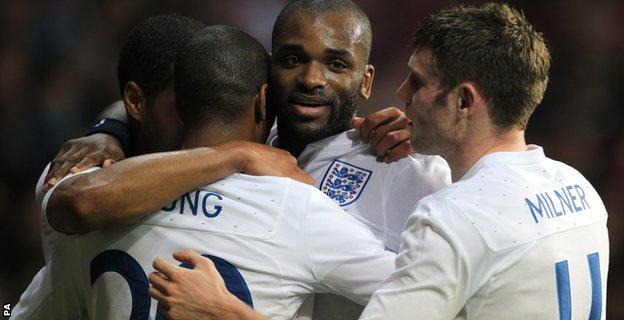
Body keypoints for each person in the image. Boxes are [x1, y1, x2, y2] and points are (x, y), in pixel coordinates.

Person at [150, 3, 610, 320]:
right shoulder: (579, 191)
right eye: (292, 59)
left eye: (418, 82)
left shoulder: (449, 211)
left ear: (465, 102)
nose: (403, 95)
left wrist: (223, 312)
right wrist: (109, 134)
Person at [40, 1, 451, 317]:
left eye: (336, 64)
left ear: (365, 82)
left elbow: (441, 302)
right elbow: (195, 81)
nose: (311, 79)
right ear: (266, 79)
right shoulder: (242, 151)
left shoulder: (408, 166)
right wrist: (111, 129)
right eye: (292, 59)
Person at [12, 15, 307, 319]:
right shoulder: (78, 167)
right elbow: (78, 205)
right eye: (185, 103)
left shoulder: (259, 161)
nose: (205, 117)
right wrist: (234, 153)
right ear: (136, 102)